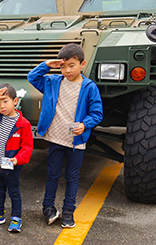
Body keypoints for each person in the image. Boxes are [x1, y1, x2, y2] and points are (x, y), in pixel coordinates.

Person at [27, 43, 103, 229]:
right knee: (52, 174)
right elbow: (32, 77)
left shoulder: (89, 87)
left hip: (76, 141)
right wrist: (47, 65)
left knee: (72, 176)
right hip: (55, 138)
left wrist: (85, 124)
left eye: (72, 65)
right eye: (63, 66)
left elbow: (97, 113)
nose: (67, 70)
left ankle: (68, 211)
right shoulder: (52, 82)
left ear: (82, 64)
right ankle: (48, 208)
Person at [0, 83, 33, 233]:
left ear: (15, 101)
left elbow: (27, 147)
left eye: (5, 101)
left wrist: (17, 159)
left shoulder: (23, 124)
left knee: (14, 191)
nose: (2, 106)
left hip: (12, 165)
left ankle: (16, 217)